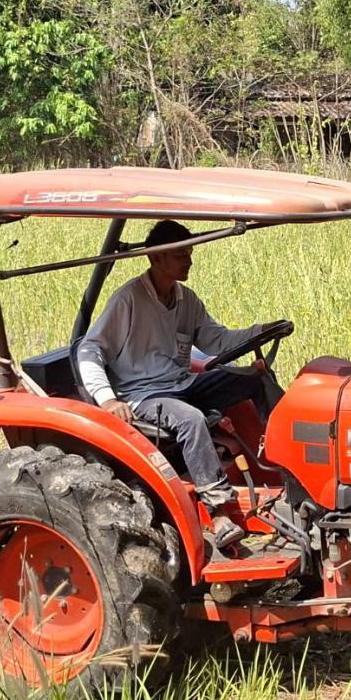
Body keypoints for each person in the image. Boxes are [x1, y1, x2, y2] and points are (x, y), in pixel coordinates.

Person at [77, 219, 292, 549]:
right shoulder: (129, 300)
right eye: (180, 255)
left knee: (257, 378)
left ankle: (289, 463)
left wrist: (259, 331)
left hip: (181, 383)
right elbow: (90, 348)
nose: (189, 260)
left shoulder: (185, 299)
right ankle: (219, 511)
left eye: (189, 253)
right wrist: (106, 399)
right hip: (143, 394)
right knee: (190, 419)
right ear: (157, 258)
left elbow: (217, 341)